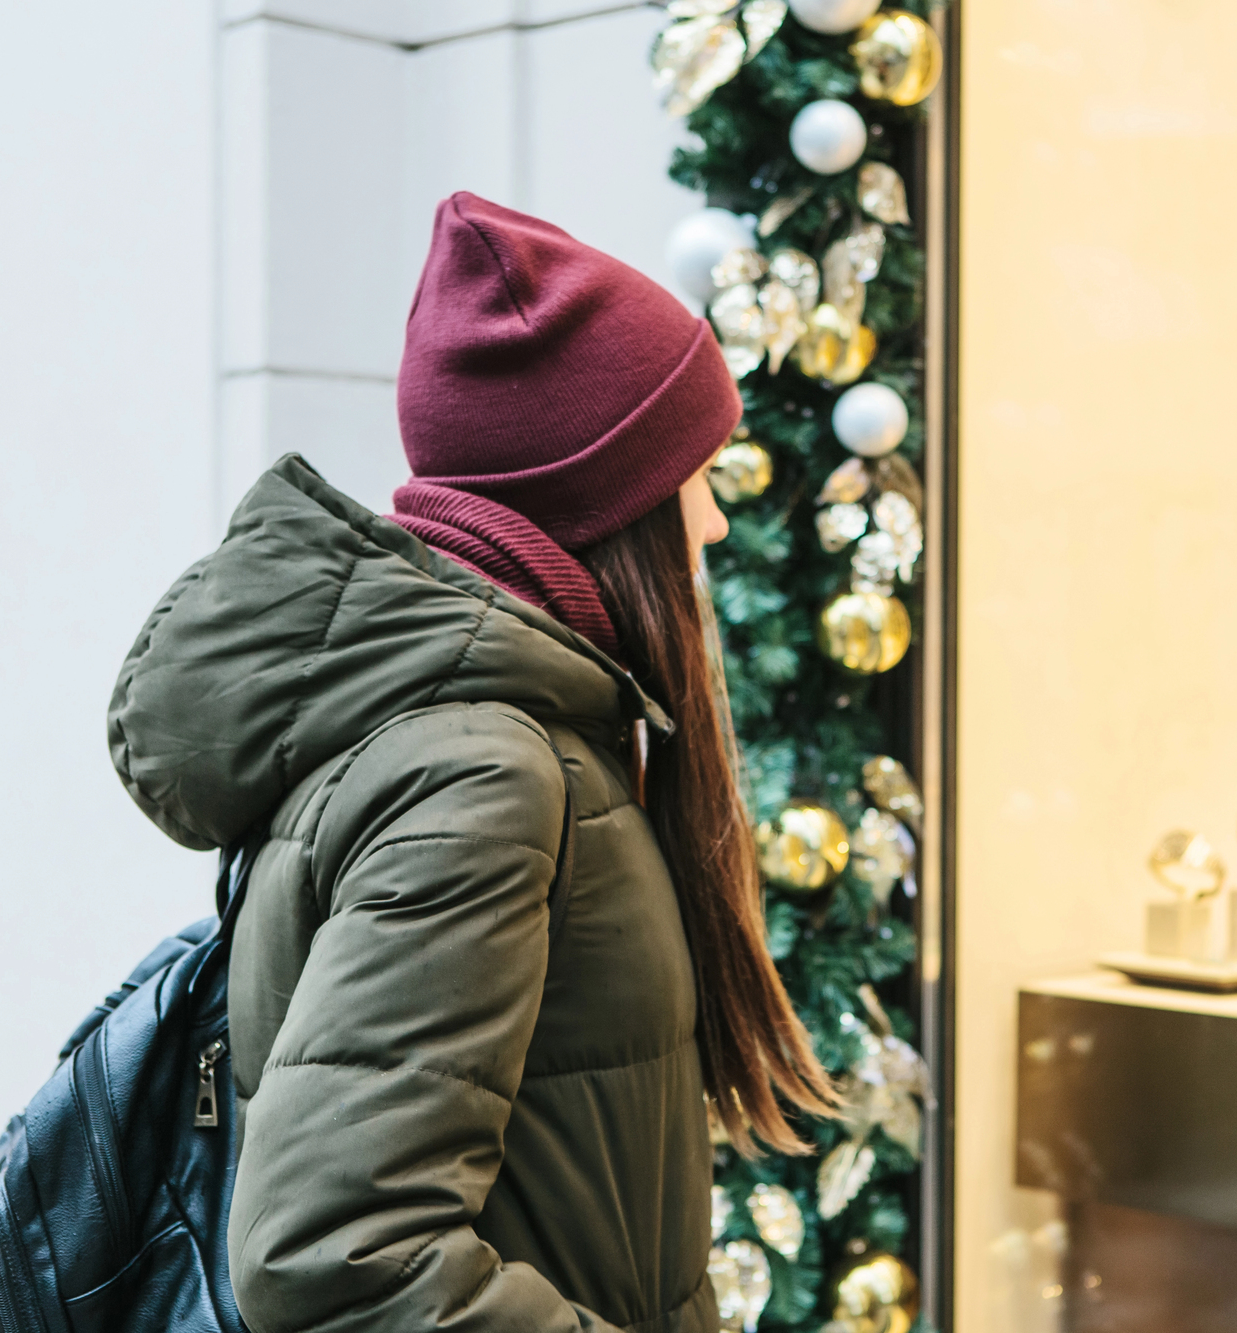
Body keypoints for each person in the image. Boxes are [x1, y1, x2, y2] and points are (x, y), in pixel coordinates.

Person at [106, 193, 837, 1333]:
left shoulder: (489, 734)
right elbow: (336, 1253)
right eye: (695, 476)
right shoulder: (481, 775)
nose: (714, 525)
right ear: (611, 500)